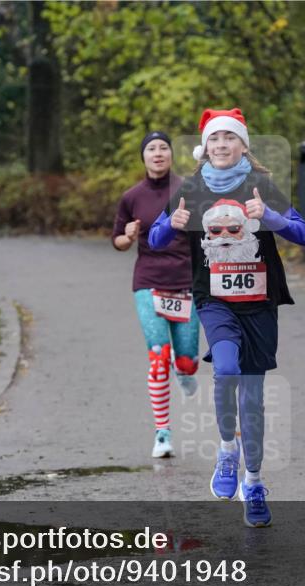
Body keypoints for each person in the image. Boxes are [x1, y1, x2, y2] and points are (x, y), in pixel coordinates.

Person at [149, 108, 305, 527]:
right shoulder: (191, 187)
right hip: (214, 299)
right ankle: (226, 451)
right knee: (224, 369)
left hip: (260, 303)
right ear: (205, 148)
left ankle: (254, 483)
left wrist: (269, 218)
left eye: (230, 138)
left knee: (253, 399)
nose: (222, 145)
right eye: (215, 139)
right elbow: (154, 237)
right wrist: (172, 226)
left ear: (242, 145)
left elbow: (304, 233)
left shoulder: (261, 185)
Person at [112, 131, 201, 458]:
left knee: (187, 362)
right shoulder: (131, 197)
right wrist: (128, 235)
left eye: (163, 147)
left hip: (186, 282)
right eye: (151, 148)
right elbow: (118, 242)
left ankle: (185, 369)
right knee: (158, 354)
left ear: (170, 154)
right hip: (148, 281)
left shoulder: (189, 190)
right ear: (144, 157)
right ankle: (162, 432)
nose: (158, 153)